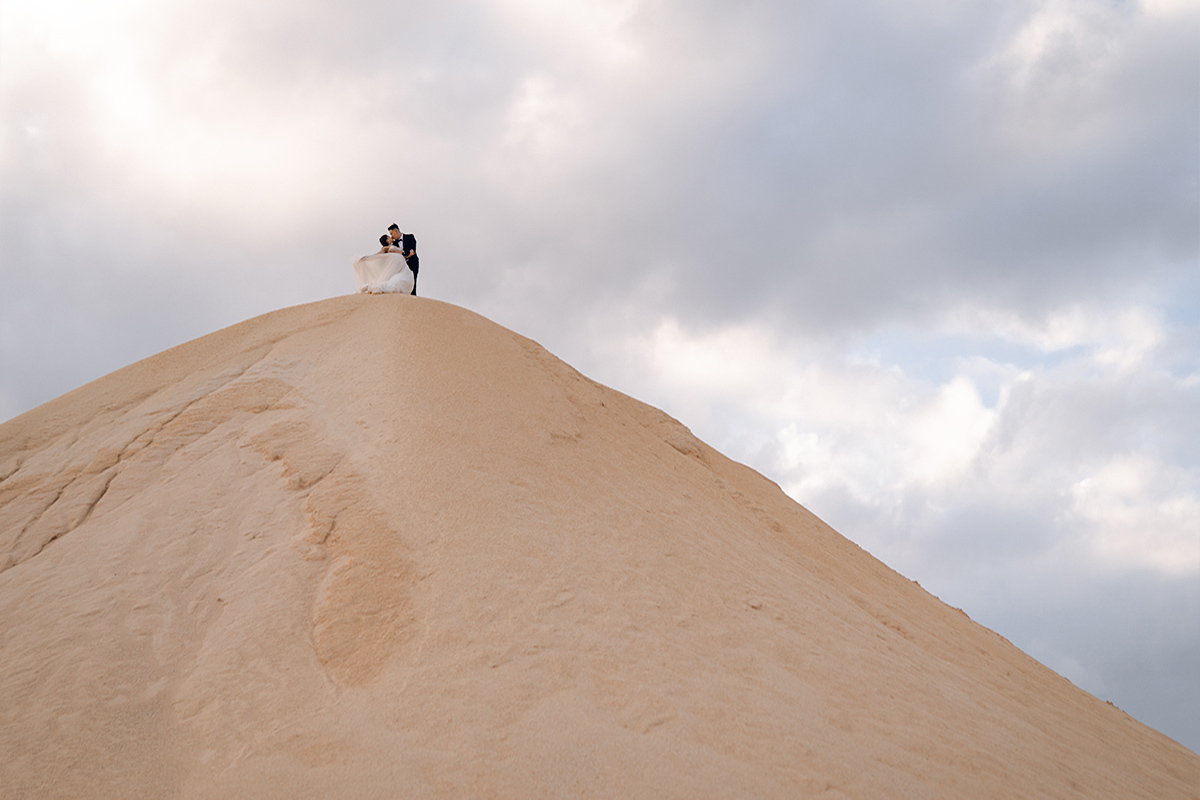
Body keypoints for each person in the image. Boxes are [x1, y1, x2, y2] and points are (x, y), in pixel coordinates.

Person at [388, 223, 418, 296]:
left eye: (392, 233)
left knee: (413, 283)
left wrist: (401, 252)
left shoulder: (410, 237)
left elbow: (412, 251)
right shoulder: (394, 244)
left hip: (412, 263)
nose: (391, 236)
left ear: (396, 231)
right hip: (401, 265)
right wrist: (406, 254)